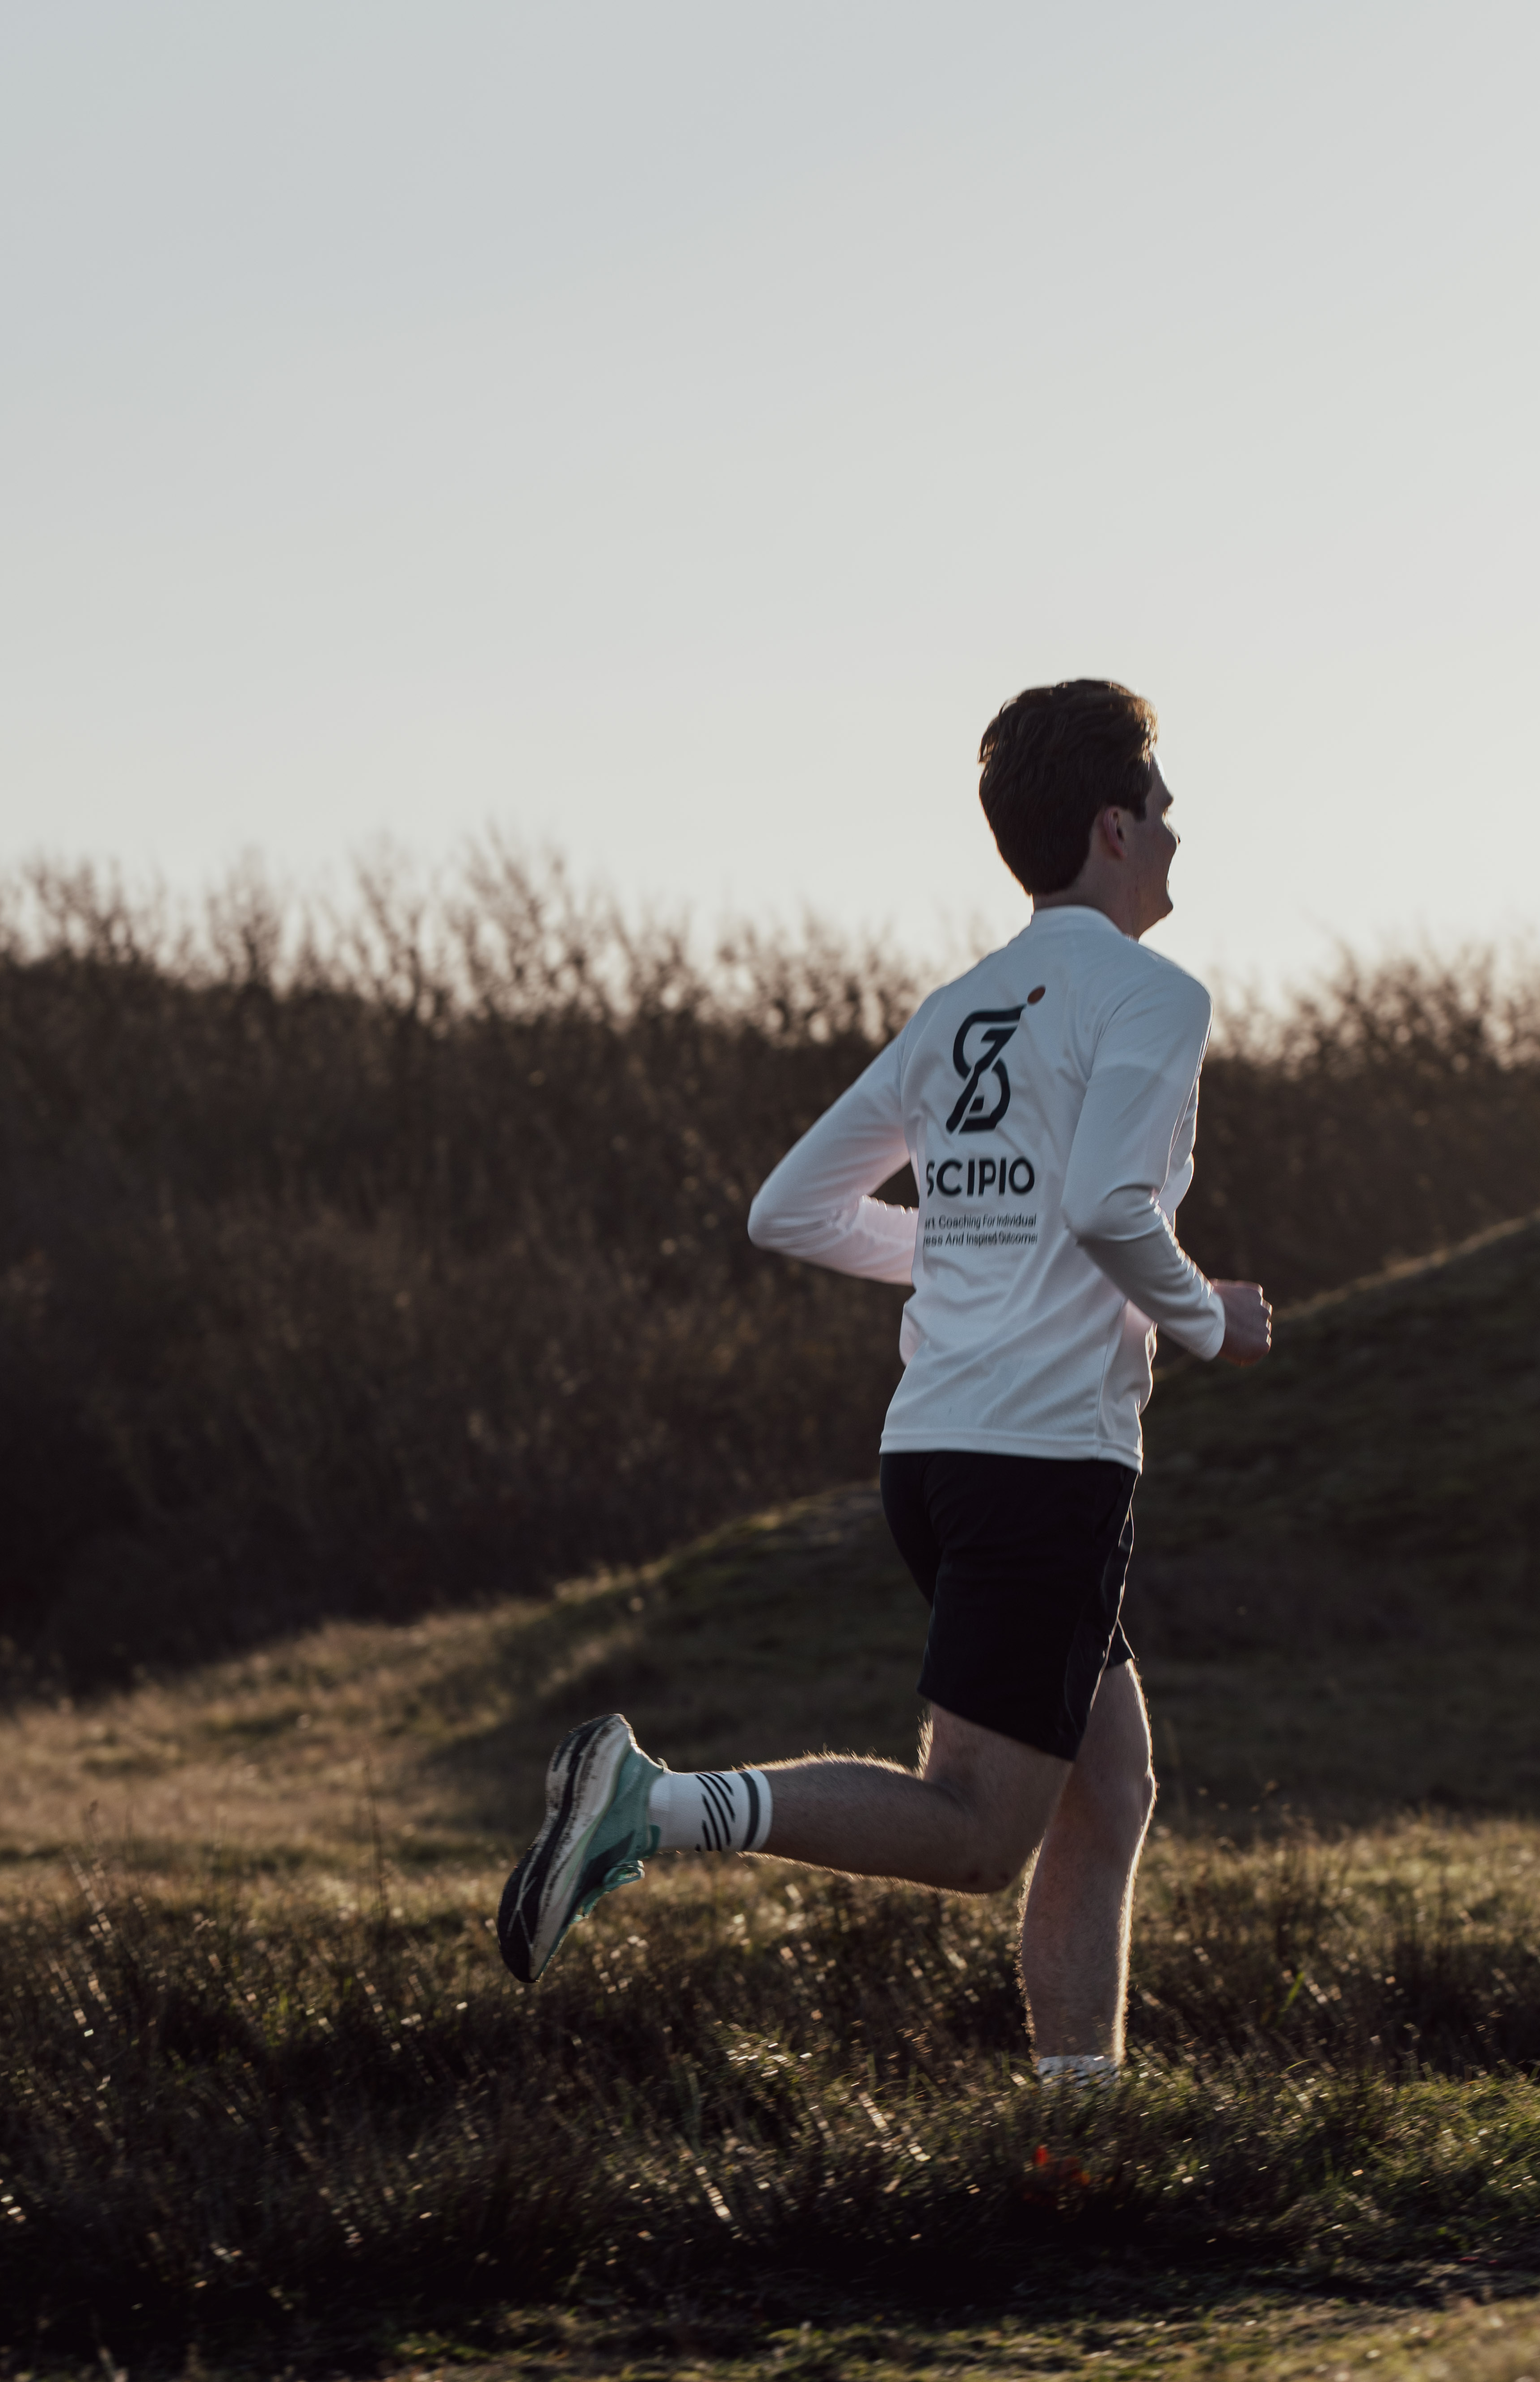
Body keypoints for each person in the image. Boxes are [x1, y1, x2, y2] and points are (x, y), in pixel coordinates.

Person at [496, 677, 1271, 2084]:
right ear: (1111, 827)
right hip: (1045, 1467)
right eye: (1162, 812)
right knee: (981, 1830)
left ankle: (1080, 2137)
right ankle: (655, 1807)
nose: (1175, 838)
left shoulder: (959, 1008)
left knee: (1111, 1788)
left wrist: (975, 1248)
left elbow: (790, 1210)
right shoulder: (1155, 997)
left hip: (933, 1454)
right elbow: (1107, 1206)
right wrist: (1208, 1321)